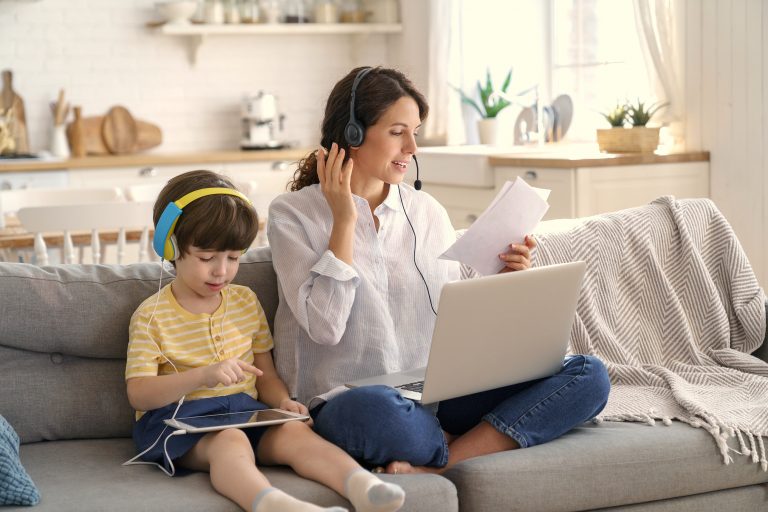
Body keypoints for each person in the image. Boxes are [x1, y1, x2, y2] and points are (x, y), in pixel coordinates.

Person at [267, 67, 612, 474]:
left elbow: (453, 319)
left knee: (589, 374)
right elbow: (326, 327)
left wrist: (502, 283)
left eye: (416, 131)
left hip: (435, 395)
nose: (412, 146)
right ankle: (467, 442)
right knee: (374, 411)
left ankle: (443, 459)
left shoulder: (426, 211)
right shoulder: (292, 215)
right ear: (353, 134)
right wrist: (343, 221)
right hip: (350, 402)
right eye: (398, 131)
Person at [125, 170, 406, 512]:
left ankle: (365, 488)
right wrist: (202, 376)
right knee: (230, 441)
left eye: (233, 257)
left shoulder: (244, 301)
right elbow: (139, 392)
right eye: (206, 258)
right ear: (170, 246)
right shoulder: (152, 314)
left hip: (243, 410)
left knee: (295, 433)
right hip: (176, 422)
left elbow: (266, 375)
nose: (221, 271)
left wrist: (283, 403)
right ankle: (276, 505)